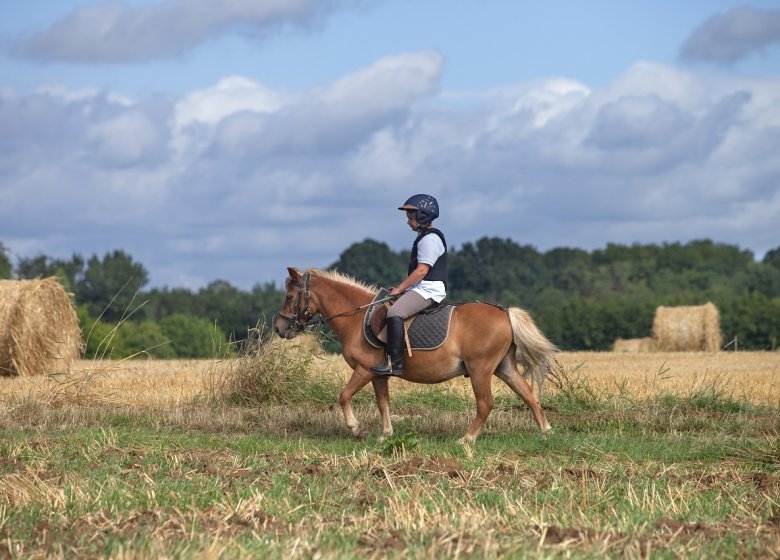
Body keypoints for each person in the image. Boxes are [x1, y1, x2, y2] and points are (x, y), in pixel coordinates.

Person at [371, 194, 447, 376]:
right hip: (421, 288)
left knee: (395, 312)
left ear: (422, 216)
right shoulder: (424, 237)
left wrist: (399, 289)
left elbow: (421, 271)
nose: (408, 222)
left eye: (410, 217)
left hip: (429, 289)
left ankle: (394, 365)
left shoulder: (430, 239)